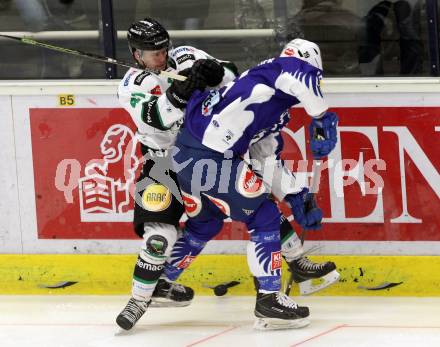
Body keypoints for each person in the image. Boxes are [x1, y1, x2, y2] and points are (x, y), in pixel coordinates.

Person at [166, 38, 339, 330]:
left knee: (206, 223)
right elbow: (299, 75)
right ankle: (269, 299)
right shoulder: (281, 69)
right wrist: (322, 118)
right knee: (264, 216)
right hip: (208, 156)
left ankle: (159, 281)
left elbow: (264, 157)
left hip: (191, 154)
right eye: (317, 75)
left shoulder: (271, 99)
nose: (317, 81)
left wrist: (296, 195)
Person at [115, 17, 238, 331]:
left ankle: (164, 281)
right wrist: (183, 90)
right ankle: (139, 298)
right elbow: (157, 118)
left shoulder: (184, 56)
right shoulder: (132, 85)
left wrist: (216, 72)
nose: (161, 56)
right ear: (135, 54)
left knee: (218, 220)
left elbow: (233, 75)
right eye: (152, 53)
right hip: (162, 164)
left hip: (203, 159)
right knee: (161, 234)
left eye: (163, 49)